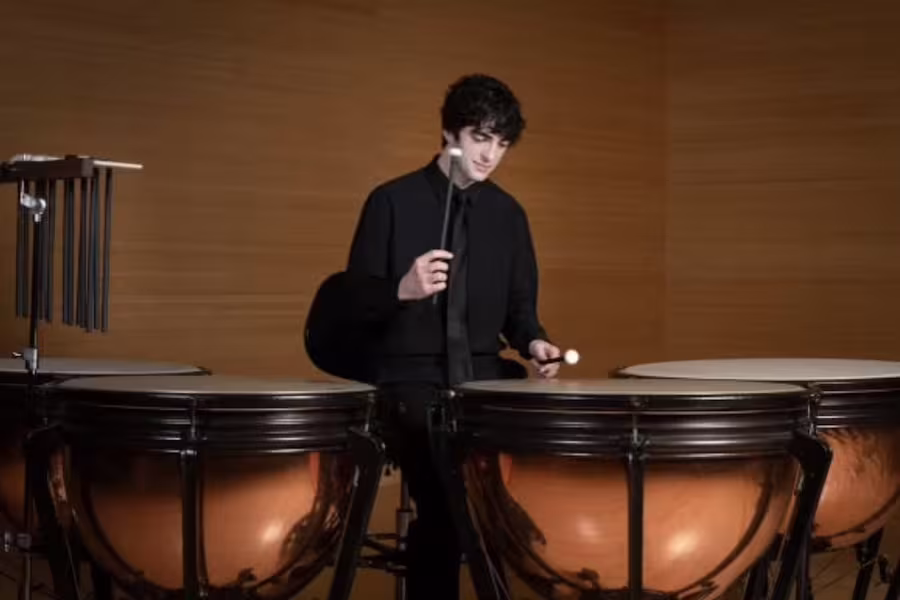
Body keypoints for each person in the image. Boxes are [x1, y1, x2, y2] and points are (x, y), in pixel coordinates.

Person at [344, 73, 560, 600]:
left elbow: (519, 313)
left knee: (516, 495)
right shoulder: (390, 202)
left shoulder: (509, 215)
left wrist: (535, 343)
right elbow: (353, 307)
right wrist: (403, 288)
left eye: (502, 143)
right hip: (410, 379)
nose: (491, 155)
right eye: (480, 137)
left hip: (483, 379)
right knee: (447, 505)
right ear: (449, 133)